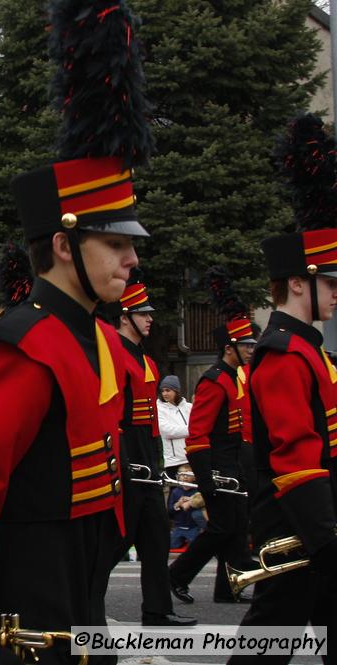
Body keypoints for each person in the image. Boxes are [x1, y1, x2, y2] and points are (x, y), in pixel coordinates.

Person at [0, 1, 154, 661]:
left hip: (81, 586)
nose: (132, 259)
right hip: (30, 598)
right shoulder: (24, 346)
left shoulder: (102, 339)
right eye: (115, 244)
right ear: (62, 245)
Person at [227, 114, 337, 664]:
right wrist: (327, 539)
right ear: (298, 283)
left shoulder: (310, 349)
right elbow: (297, 456)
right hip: (299, 527)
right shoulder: (284, 354)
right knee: (266, 647)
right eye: (330, 282)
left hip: (313, 520)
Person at [104, 274, 195, 626]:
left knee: (157, 540)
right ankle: (82, 600)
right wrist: (122, 463)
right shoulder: (116, 357)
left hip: (149, 460)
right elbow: (115, 415)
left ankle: (157, 610)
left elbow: (151, 422)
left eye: (149, 313)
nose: (149, 318)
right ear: (125, 316)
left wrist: (155, 463)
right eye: (142, 313)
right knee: (114, 543)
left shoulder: (147, 360)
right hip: (128, 462)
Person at [168, 267, 256, 605]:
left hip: (235, 461)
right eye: (246, 344)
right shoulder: (214, 379)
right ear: (230, 347)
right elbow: (198, 434)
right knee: (222, 527)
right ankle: (175, 575)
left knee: (235, 526)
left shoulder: (238, 375)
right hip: (217, 463)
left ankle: (228, 587)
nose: (251, 349)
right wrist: (205, 478)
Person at [157, 375, 191, 474]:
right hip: (174, 461)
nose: (164, 393)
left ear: (176, 391)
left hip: (192, 457)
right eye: (162, 391)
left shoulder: (189, 407)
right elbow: (166, 431)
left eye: (168, 390)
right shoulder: (159, 409)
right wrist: (191, 430)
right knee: (176, 489)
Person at [168, 466, 206, 549]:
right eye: (182, 474)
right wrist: (178, 504)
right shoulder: (175, 491)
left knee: (196, 547)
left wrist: (191, 501)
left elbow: (202, 508)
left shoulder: (197, 491)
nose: (185, 477)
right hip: (179, 526)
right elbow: (170, 511)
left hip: (193, 527)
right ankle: (182, 540)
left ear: (194, 477)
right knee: (172, 545)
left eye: (188, 474)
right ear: (178, 477)